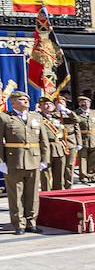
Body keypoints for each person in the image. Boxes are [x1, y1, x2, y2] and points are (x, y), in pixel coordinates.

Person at [1, 91, 45, 233]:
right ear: (12, 102)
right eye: (21, 99)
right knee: (15, 195)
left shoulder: (36, 117)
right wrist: (1, 162)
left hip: (34, 159)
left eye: (27, 99)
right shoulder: (5, 118)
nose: (26, 101)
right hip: (14, 161)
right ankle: (19, 224)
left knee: (32, 194)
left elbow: (43, 141)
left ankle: (31, 222)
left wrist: (44, 159)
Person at [73, 96, 95, 184]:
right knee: (83, 159)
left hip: (94, 138)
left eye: (87, 102)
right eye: (83, 102)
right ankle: (84, 176)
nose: (85, 104)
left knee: (93, 158)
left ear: (90, 104)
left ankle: (92, 175)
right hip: (83, 139)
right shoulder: (76, 113)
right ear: (79, 103)